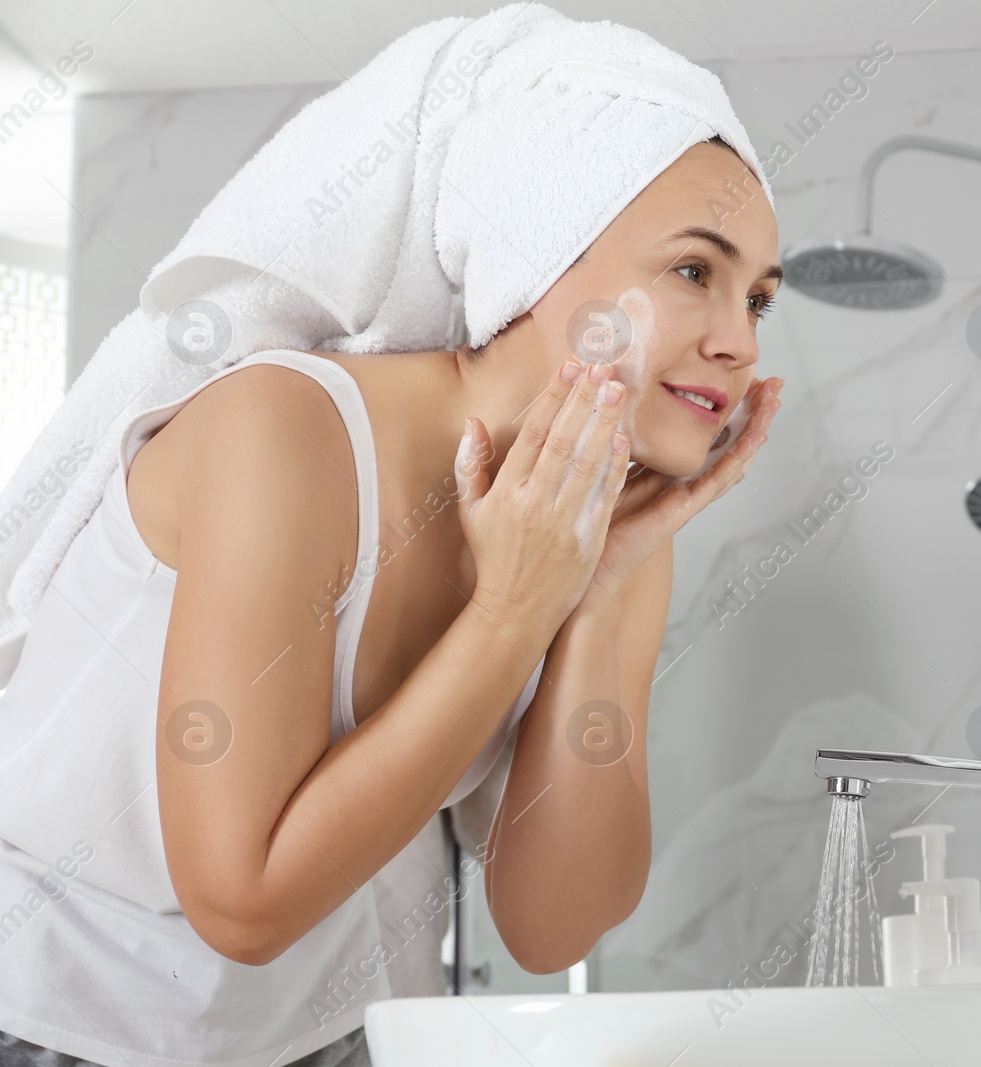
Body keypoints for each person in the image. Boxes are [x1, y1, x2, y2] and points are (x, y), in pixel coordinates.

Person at [0, 9, 783, 1066]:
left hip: (319, 1038)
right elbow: (241, 896)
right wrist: (512, 612)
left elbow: (553, 923)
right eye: (697, 270)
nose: (738, 339)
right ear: (536, 244)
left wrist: (588, 600)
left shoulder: (601, 520)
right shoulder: (285, 431)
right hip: (47, 1020)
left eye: (759, 298)